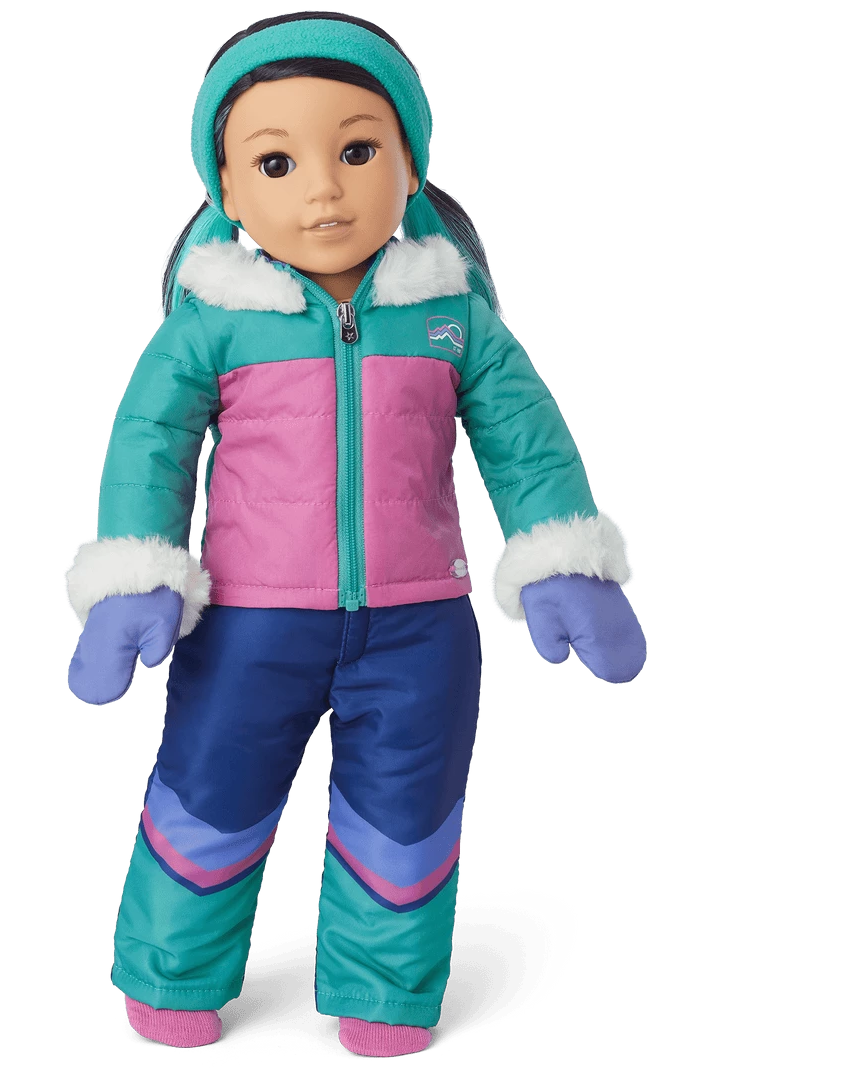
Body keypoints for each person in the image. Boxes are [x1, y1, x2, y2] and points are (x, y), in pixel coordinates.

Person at [64, 10, 645, 1057]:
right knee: (210, 798)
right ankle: (171, 972)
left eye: (358, 151)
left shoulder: (454, 316)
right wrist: (135, 574)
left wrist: (565, 559)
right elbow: (150, 443)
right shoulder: (212, 320)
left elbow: (525, 439)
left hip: (421, 626)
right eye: (277, 162)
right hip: (247, 625)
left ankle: (385, 993)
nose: (324, 191)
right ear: (226, 188)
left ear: (411, 165)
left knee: (407, 815)